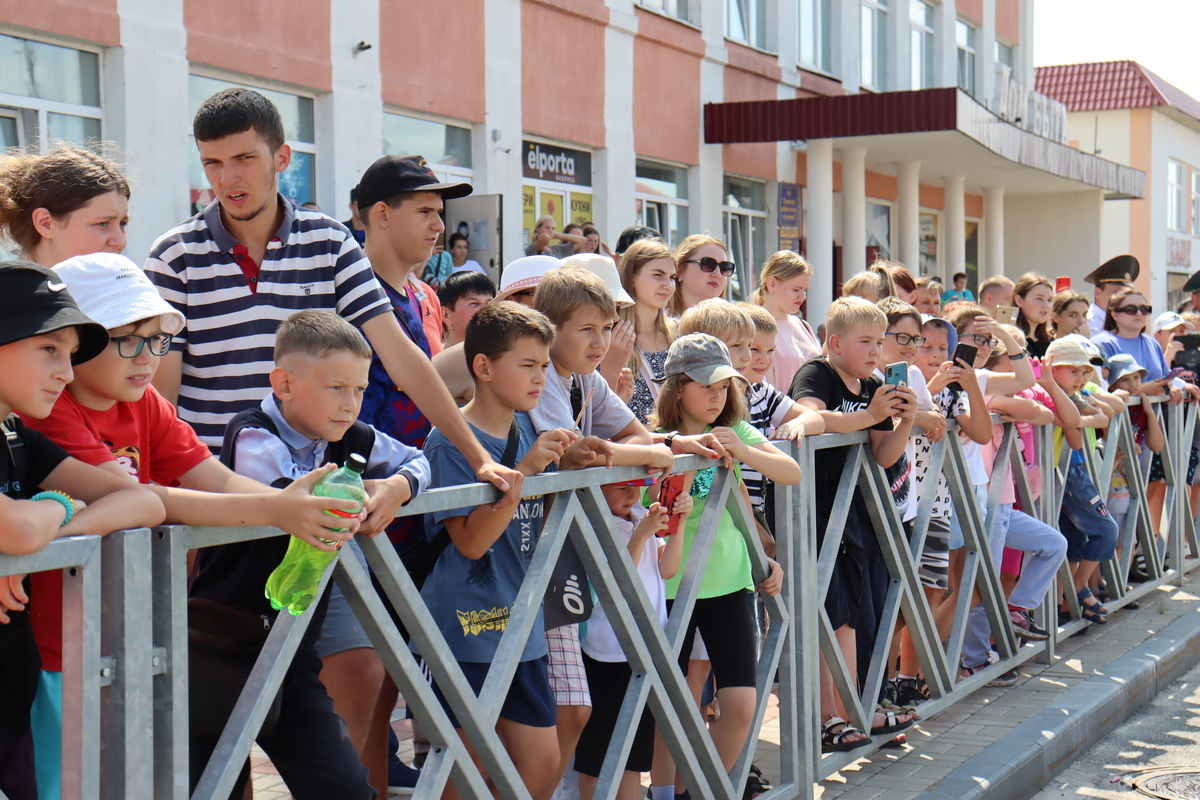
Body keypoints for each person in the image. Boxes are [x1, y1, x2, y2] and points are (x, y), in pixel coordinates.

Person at [20, 255, 384, 797]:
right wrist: (280, 509)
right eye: (128, 339)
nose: (148, 358)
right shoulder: (49, 409)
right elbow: (139, 498)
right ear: (81, 340)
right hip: (53, 643)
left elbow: (213, 478)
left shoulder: (145, 404)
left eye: (157, 339)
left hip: (136, 639)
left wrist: (291, 505)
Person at [143, 90, 520, 496]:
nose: (226, 178)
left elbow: (402, 358)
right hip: (212, 504)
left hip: (315, 498)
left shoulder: (331, 243)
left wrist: (478, 456)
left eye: (244, 159)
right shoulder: (174, 256)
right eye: (211, 163)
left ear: (282, 159)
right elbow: (160, 397)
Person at [204, 310, 429, 799]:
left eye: (360, 390)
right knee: (216, 781)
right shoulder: (251, 433)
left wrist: (396, 487)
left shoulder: (354, 437)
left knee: (345, 788)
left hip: (293, 649)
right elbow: (292, 497)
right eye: (336, 388)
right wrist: (351, 490)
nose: (351, 405)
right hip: (223, 639)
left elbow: (418, 458)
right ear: (283, 384)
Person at [0, 261, 165, 800]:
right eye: (49, 349)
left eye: (70, 355)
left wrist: (44, 531)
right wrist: (47, 517)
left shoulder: (15, 436)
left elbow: (140, 501)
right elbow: (20, 528)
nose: (67, 373)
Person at [530, 265, 674, 798]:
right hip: (533, 559)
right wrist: (618, 452)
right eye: (587, 328)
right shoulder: (542, 375)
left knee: (573, 707)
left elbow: (638, 437)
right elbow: (575, 454)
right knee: (550, 707)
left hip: (568, 558)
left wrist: (620, 451)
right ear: (548, 327)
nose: (601, 342)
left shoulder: (586, 381)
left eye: (607, 327)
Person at [417, 301, 568, 800]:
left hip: (521, 627)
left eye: (544, 366)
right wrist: (526, 470)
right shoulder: (448, 442)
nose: (539, 377)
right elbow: (470, 539)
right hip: (465, 630)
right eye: (527, 365)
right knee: (464, 772)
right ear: (483, 367)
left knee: (542, 765)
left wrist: (568, 461)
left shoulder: (526, 426)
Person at [648, 333, 792, 794]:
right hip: (668, 587)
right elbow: (649, 505)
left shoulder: (740, 431)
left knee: (742, 704)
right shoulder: (653, 440)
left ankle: (699, 789)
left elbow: (793, 472)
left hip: (730, 582)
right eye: (705, 386)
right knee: (673, 704)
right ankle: (665, 792)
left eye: (723, 386)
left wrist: (743, 450)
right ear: (676, 388)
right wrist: (685, 452)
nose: (717, 396)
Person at [790, 297, 917, 750]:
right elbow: (807, 417)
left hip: (854, 512)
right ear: (835, 342)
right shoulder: (817, 372)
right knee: (828, 612)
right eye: (865, 341)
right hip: (813, 506)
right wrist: (868, 416)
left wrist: (904, 420)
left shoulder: (874, 383)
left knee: (855, 612)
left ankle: (854, 709)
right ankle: (826, 716)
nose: (874, 351)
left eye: (880, 343)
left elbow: (884, 455)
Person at [574, 480, 689, 800]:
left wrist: (675, 526)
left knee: (633, 760)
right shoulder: (592, 522)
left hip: (646, 650)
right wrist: (641, 534)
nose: (632, 495)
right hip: (606, 653)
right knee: (596, 761)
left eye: (637, 486)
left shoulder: (642, 515)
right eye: (621, 487)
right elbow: (615, 585)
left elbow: (668, 569)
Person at [1043, 337, 1120, 624]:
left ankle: (1072, 594)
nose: (1081, 378)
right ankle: (1074, 591)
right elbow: (1075, 437)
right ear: (1052, 368)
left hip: (1070, 470)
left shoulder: (1072, 394)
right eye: (1073, 371)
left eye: (1084, 372)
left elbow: (1101, 418)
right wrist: (1073, 421)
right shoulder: (1046, 393)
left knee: (1078, 536)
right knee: (1101, 529)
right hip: (1055, 473)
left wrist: (1075, 420)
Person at [0, 145, 129, 268]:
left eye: (122, 224)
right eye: (102, 224)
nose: (120, 241)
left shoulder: (132, 288)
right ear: (45, 223)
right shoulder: (14, 290)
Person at [611, 238, 677, 424]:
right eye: (658, 275)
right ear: (632, 276)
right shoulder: (609, 337)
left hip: (681, 447)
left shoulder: (679, 335)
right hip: (634, 448)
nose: (668, 285)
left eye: (672, 277)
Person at [750, 250, 822, 392]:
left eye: (805, 290)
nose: (803, 296)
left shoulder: (803, 326)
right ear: (772, 284)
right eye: (796, 289)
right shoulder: (753, 327)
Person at [668, 234, 731, 317]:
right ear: (680, 271)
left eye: (724, 267)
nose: (718, 274)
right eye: (708, 264)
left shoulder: (736, 327)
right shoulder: (657, 325)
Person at [1083, 255, 1139, 337]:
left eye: (1127, 293)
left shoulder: (1127, 322)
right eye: (1117, 292)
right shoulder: (1088, 323)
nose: (1123, 298)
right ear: (1097, 293)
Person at [438, 270, 496, 348]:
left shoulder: (503, 356)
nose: (485, 309)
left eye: (489, 303)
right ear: (446, 315)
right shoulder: (431, 359)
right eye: (474, 304)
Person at [1012, 272, 1054, 359]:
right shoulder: (1010, 341)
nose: (1046, 305)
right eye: (1039, 299)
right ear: (1019, 301)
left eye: (1049, 300)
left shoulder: (1051, 344)